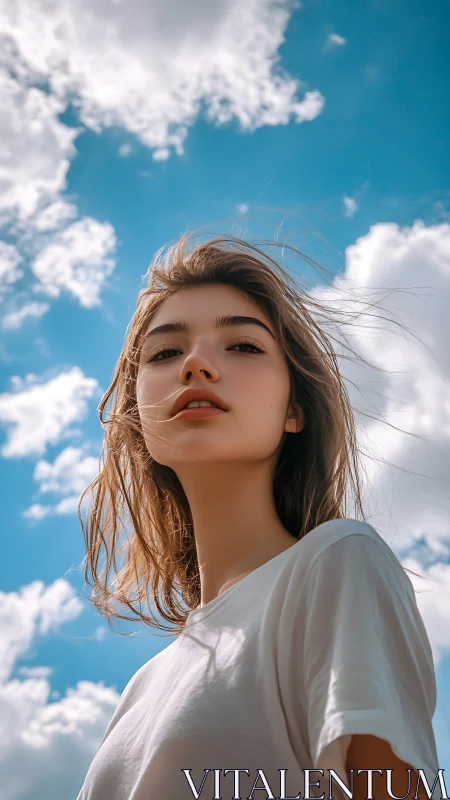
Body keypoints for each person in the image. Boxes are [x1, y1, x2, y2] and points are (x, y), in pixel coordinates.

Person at [76, 233, 440, 800]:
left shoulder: (337, 563)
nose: (195, 364)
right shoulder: (141, 689)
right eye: (166, 352)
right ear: (136, 414)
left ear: (294, 408)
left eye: (242, 346)